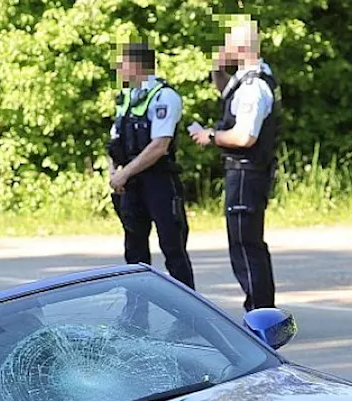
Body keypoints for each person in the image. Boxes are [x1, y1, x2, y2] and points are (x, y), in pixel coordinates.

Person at [192, 18, 280, 311]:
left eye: (228, 41)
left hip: (247, 173)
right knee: (246, 243)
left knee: (245, 246)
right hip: (244, 172)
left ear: (241, 47)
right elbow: (226, 93)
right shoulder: (246, 79)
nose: (223, 46)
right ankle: (261, 310)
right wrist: (217, 67)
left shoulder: (253, 87)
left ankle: (260, 315)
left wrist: (211, 136)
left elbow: (245, 136)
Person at [106, 42, 195, 292]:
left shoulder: (163, 96)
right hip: (131, 186)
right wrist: (114, 173)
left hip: (159, 183)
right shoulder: (125, 98)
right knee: (134, 253)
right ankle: (136, 315)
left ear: (137, 65)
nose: (119, 68)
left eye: (123, 63)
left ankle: (187, 316)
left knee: (172, 248)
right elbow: (113, 142)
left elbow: (159, 145)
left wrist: (124, 173)